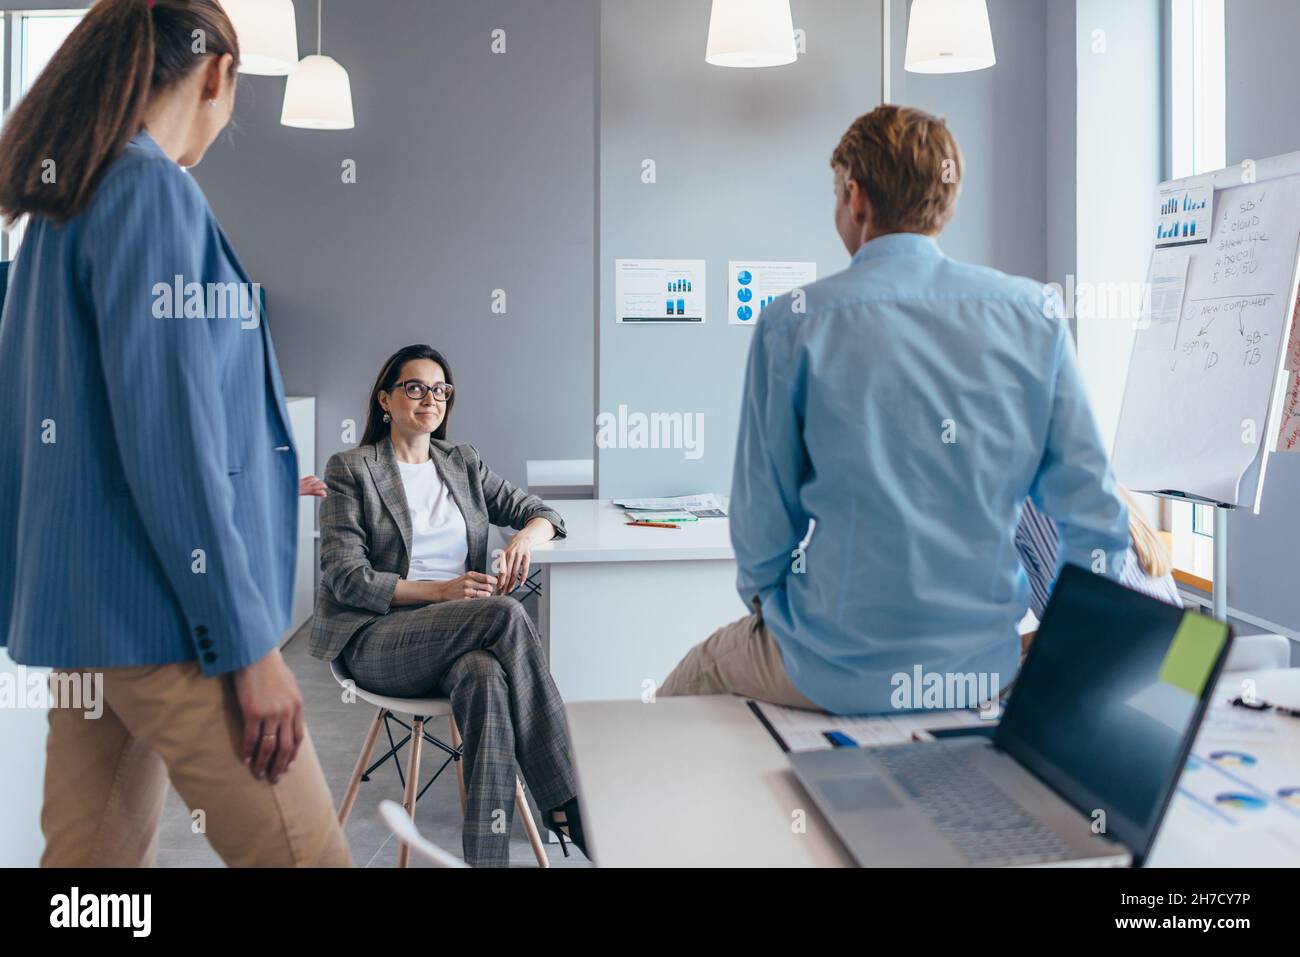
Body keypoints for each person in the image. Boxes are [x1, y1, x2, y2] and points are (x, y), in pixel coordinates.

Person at [0, 0, 350, 867]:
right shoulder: (149, 188)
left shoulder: (61, 203)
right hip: (169, 626)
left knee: (88, 884)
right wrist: (248, 648)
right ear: (219, 72)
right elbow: (170, 442)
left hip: (90, 626)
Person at [659, 104, 1131, 715]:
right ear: (947, 200)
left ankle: (574, 812)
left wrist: (779, 614)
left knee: (686, 682)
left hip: (828, 665)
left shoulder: (792, 323)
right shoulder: (1031, 315)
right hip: (980, 672)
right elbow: (1096, 517)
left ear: (856, 198)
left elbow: (761, 534)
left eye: (838, 193)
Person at [309, 344, 586, 867]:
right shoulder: (352, 468)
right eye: (414, 387)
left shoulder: (461, 461)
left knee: (484, 676)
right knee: (505, 613)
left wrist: (525, 539)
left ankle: (488, 861)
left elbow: (541, 511)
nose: (429, 399)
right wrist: (438, 591)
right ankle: (567, 798)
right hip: (380, 637)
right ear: (385, 400)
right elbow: (345, 577)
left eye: (440, 390)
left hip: (464, 635)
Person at [1016, 486, 1180, 653]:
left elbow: (1089, 620)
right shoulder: (1087, 479)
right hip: (1176, 651)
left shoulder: (1037, 500)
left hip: (1139, 658)